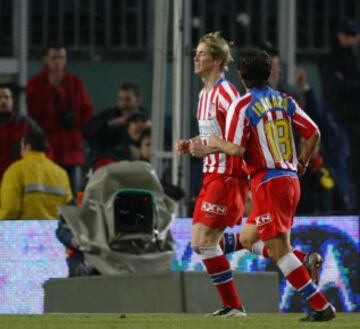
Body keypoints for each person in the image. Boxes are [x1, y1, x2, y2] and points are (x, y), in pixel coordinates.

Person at [203, 48, 335, 322]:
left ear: (242, 76)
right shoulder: (285, 100)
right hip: (288, 180)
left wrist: (214, 142)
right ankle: (304, 260)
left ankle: (321, 307)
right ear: (268, 74)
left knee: (279, 252)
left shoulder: (243, 104)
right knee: (250, 239)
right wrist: (302, 163)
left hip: (268, 182)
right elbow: (313, 133)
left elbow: (237, 150)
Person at [175, 32, 249, 317]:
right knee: (200, 243)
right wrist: (192, 142)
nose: (196, 57)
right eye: (196, 52)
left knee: (205, 242)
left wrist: (207, 150)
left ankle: (234, 306)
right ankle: (263, 243)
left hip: (228, 175)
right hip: (211, 175)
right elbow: (214, 135)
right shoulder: (204, 93)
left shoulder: (226, 92)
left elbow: (240, 138)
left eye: (203, 53)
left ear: (217, 60)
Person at [26, 45, 94, 195]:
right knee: (45, 192)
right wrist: (51, 89)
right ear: (46, 60)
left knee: (73, 191)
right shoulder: (35, 83)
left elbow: (87, 110)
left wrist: (79, 132)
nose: (57, 62)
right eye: (54, 58)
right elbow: (33, 111)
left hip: (72, 149)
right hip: (47, 148)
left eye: (61, 58)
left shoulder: (74, 82)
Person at [318, 19, 360, 211]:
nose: (350, 40)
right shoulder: (329, 60)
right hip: (339, 123)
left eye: (354, 36)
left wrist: (347, 84)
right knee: (343, 168)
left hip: (354, 122)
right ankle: (346, 205)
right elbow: (333, 89)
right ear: (339, 36)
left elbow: (343, 87)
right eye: (347, 36)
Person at [0, 130, 72, 219]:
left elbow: (10, 210)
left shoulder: (15, 170)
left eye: (22, 146)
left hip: (25, 230)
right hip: (53, 230)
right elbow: (68, 207)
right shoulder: (61, 173)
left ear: (28, 146)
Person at [83, 82, 146, 155]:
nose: (123, 103)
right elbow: (87, 130)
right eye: (120, 99)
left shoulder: (146, 119)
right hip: (110, 159)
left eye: (128, 99)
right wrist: (110, 124)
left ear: (138, 100)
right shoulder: (110, 115)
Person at [0, 84, 40, 183]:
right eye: (0, 97)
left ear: (13, 100)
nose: (3, 101)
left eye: (6, 97)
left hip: (20, 181)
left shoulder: (27, 125)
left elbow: (44, 150)